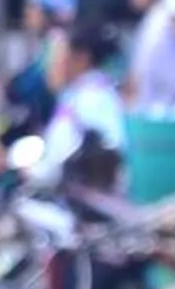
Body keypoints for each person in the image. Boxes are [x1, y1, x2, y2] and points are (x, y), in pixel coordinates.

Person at [36, 21, 130, 184]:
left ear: (81, 58)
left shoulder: (93, 99)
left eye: (57, 57)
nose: (50, 65)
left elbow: (108, 158)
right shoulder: (75, 96)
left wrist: (40, 173)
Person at [4, 0, 78, 129]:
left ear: (50, 14)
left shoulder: (58, 42)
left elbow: (54, 87)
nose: (26, 13)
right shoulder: (44, 43)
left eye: (32, 7)